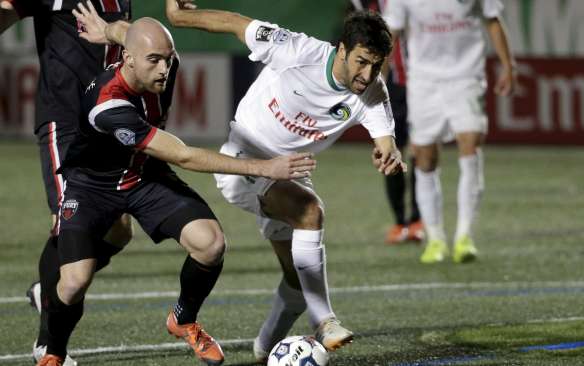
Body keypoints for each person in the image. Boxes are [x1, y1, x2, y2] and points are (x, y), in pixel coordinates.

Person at [36, 5, 316, 365]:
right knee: (74, 282)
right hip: (92, 186)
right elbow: (182, 156)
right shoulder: (107, 104)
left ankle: (183, 320)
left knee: (210, 243)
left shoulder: (155, 61)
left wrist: (108, 29)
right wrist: (266, 167)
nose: (164, 69)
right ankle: (53, 352)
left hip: (144, 176)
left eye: (167, 59)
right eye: (154, 60)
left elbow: (129, 35)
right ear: (129, 61)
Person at [164, 0, 405, 362]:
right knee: (310, 212)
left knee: (296, 281)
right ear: (341, 50)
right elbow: (234, 23)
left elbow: (386, 139)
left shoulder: (373, 91)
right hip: (244, 160)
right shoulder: (296, 49)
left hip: (289, 172)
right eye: (361, 62)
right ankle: (324, 321)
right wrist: (180, 17)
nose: (367, 75)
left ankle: (265, 350)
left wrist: (390, 154)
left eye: (376, 65)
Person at [0, 2, 133, 365]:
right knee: (70, 224)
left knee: (119, 230)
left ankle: (49, 287)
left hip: (104, 118)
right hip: (65, 119)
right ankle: (48, 345)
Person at [383, 0, 516, 264]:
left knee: (471, 143)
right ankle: (435, 239)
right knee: (425, 157)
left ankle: (465, 236)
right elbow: (391, 34)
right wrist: (378, 78)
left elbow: (493, 20)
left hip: (467, 77)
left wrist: (509, 66)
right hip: (424, 81)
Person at [349, 0, 423, 245]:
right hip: (393, 86)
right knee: (391, 152)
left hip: (424, 82)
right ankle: (400, 221)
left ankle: (417, 220)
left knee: (421, 151)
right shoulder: (371, 8)